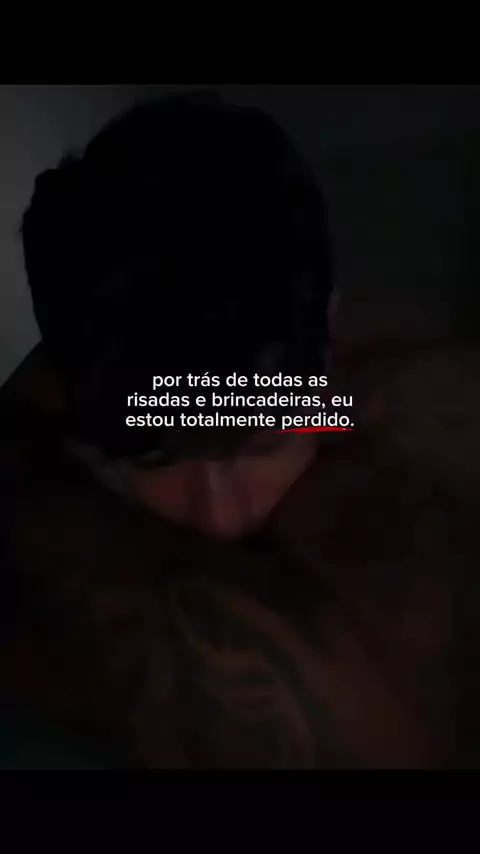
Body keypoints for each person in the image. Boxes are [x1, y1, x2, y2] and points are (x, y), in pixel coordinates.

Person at [0, 91, 473, 767]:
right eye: (155, 457)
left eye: (262, 440)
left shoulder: (413, 388)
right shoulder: (41, 476)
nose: (220, 517)